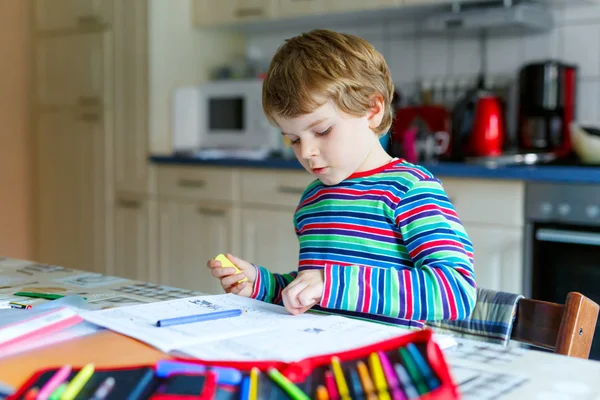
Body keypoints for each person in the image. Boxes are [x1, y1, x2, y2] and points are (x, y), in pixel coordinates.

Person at [207, 29, 476, 329]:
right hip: (322, 354)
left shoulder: (409, 190)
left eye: (322, 131)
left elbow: (456, 292)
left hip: (386, 364)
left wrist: (328, 282)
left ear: (372, 111)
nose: (307, 152)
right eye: (293, 139)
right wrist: (261, 287)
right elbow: (318, 294)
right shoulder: (313, 199)